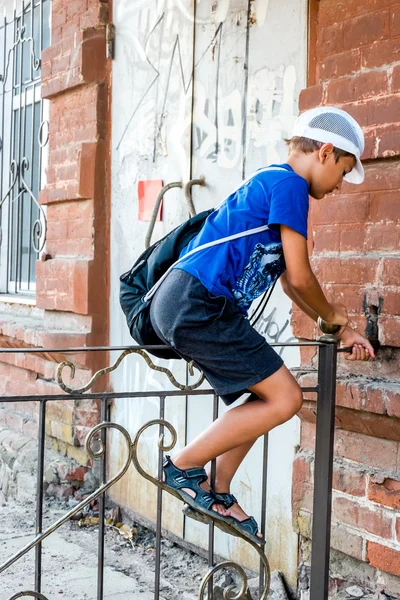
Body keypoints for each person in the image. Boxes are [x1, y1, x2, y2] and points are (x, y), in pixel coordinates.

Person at [149, 106, 376, 544]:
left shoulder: (274, 181)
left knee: (266, 394)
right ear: (325, 152)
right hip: (197, 302)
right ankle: (182, 467)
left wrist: (338, 331)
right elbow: (300, 275)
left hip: (189, 302)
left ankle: (216, 486)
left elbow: (291, 287)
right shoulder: (289, 184)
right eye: (344, 172)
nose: (340, 186)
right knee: (287, 396)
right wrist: (336, 317)